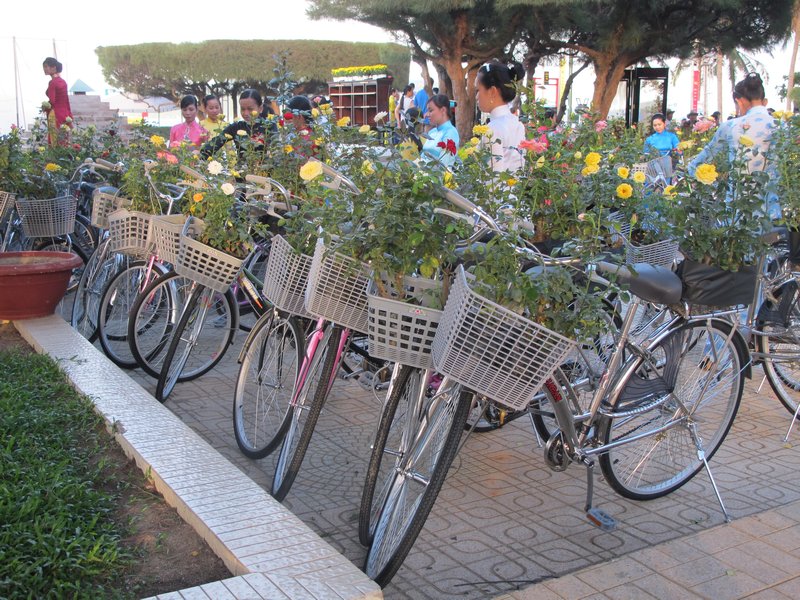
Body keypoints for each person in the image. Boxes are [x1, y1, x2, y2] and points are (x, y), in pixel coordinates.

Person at [688, 73, 777, 217]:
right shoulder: (780, 126)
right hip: (772, 209)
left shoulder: (731, 126)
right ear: (764, 101)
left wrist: (688, 170)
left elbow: (705, 156)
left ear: (739, 101)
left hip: (738, 209)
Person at [475, 61, 525, 172]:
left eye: (478, 90)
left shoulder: (492, 129)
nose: (477, 96)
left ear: (492, 91)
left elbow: (492, 180)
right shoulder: (517, 124)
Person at [201, 89, 277, 162]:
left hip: (263, 174)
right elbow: (215, 144)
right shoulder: (236, 127)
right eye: (243, 109)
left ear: (260, 108)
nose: (246, 113)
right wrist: (199, 155)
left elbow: (276, 152)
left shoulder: (269, 126)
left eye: (250, 109)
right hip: (242, 172)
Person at [421, 94, 460, 167]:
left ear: (443, 110)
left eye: (430, 110)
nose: (427, 114)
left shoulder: (451, 132)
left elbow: (444, 166)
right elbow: (422, 157)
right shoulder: (432, 132)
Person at [42, 57, 73, 145]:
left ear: (53, 67)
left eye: (46, 66)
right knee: (64, 141)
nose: (44, 69)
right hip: (64, 114)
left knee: (54, 141)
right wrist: (69, 116)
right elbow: (66, 101)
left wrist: (44, 107)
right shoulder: (63, 82)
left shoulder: (53, 82)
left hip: (55, 115)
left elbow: (52, 101)